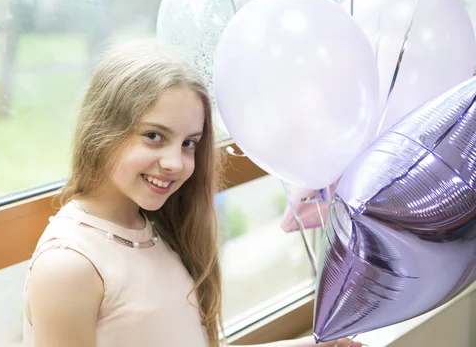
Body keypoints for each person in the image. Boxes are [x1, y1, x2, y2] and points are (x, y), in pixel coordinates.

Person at [23, 40, 362, 347]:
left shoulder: (157, 228)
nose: (175, 163)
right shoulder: (69, 267)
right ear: (103, 129)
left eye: (189, 143)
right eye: (154, 136)